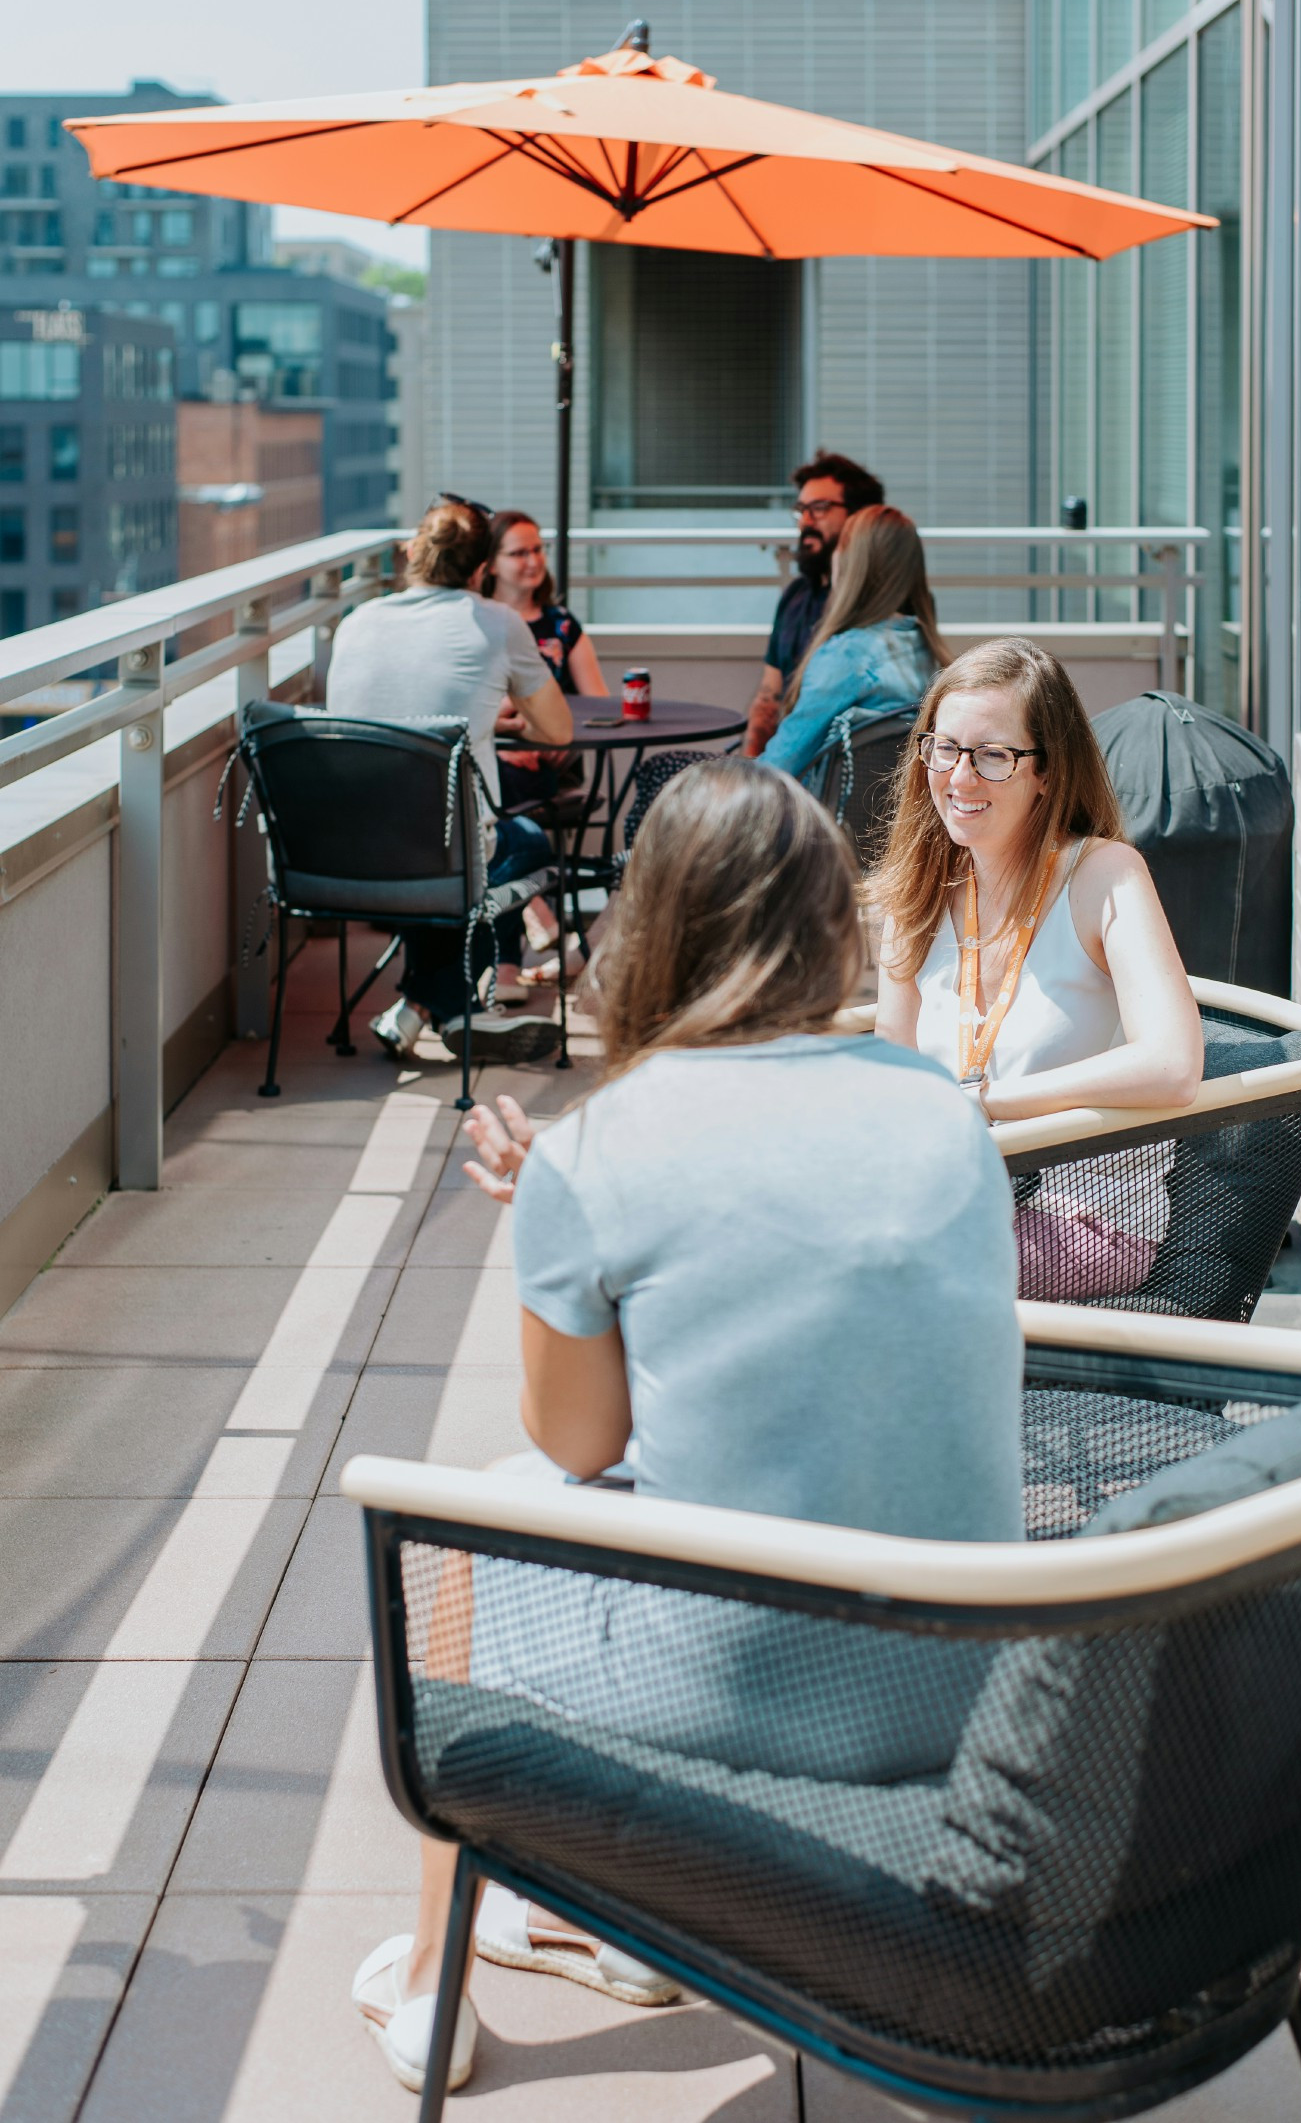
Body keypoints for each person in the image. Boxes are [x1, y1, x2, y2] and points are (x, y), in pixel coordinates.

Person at [351, 758, 1025, 2094]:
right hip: (957, 1682)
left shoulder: (602, 1153)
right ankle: (624, 1931)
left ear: (653, 920)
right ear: (831, 915)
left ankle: (436, 1978)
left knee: (477, 1518)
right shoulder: (943, 1112)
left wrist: (558, 1235)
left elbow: (580, 1449)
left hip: (742, 1701)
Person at [873, 638, 1203, 1301]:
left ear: (1046, 771)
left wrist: (983, 1105)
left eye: (993, 755)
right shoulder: (916, 894)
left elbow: (1174, 1066)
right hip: (953, 1204)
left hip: (1082, 1220)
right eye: (945, 748)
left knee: (869, 1278)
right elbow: (894, 1088)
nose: (960, 777)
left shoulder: (1104, 875)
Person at [325, 496, 573, 1064]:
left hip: (346, 855)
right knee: (525, 843)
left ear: (412, 554)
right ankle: (449, 1005)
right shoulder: (497, 622)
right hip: (446, 855)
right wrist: (497, 705)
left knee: (437, 848)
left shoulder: (355, 622)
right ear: (483, 569)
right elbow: (557, 732)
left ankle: (423, 1008)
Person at [758, 504, 949, 784]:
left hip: (818, 820)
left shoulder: (846, 656)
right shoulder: (928, 651)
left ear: (852, 565)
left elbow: (780, 765)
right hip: (889, 822)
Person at [744, 450, 886, 755]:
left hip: (834, 772)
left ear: (860, 519)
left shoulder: (882, 607)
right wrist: (748, 775)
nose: (805, 521)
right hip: (785, 764)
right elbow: (768, 702)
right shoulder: (795, 596)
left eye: (820, 508)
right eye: (801, 510)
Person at [484, 510, 609, 809]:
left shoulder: (562, 626)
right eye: (518, 553)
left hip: (553, 759)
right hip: (489, 756)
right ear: (489, 565)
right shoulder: (476, 623)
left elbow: (601, 706)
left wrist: (562, 737)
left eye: (538, 549)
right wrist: (497, 749)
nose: (533, 561)